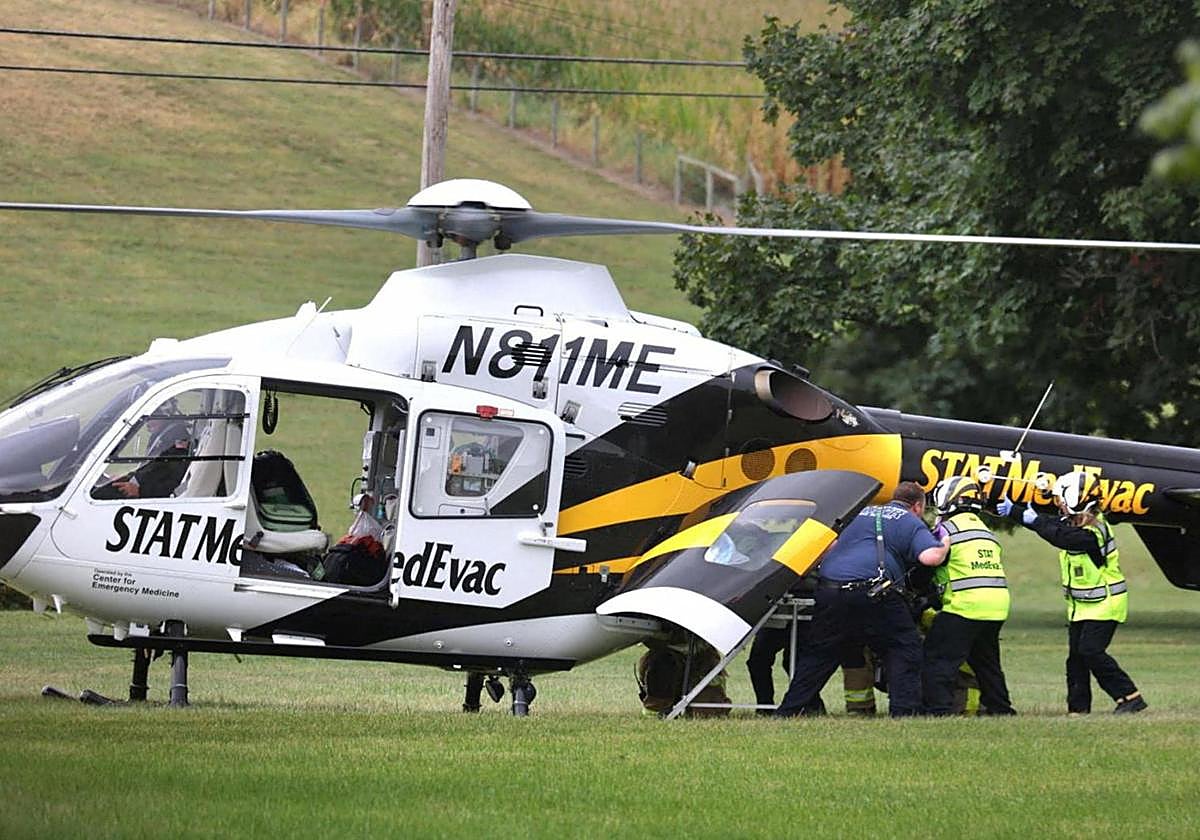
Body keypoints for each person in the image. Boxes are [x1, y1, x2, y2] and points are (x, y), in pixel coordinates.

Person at [775, 481, 950, 717]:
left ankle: (789, 710)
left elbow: (825, 548)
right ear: (918, 506)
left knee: (819, 654)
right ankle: (904, 713)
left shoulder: (856, 512)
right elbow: (930, 558)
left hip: (831, 591)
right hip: (875, 593)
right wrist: (944, 542)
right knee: (903, 648)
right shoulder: (909, 521)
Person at [1000, 471, 1147, 714]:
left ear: (1075, 498)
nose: (1058, 504)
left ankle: (1129, 696)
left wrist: (1033, 519)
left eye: (1061, 498)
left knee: (1091, 651)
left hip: (1105, 604)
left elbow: (1060, 536)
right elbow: (1051, 524)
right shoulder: (1074, 523)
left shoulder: (1093, 532)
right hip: (1083, 606)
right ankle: (1078, 709)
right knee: (1076, 658)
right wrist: (1016, 512)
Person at [921, 476, 1016, 716]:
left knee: (938, 659)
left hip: (964, 606)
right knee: (987, 662)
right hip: (996, 607)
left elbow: (928, 563)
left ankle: (938, 710)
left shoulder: (945, 529)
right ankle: (1001, 709)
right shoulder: (986, 531)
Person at [92, 402, 191, 499]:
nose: (147, 423)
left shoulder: (177, 437)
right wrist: (127, 477)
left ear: (163, 414)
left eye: (152, 416)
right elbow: (150, 469)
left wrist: (141, 491)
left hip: (148, 498)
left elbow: (177, 480)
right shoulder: (160, 435)